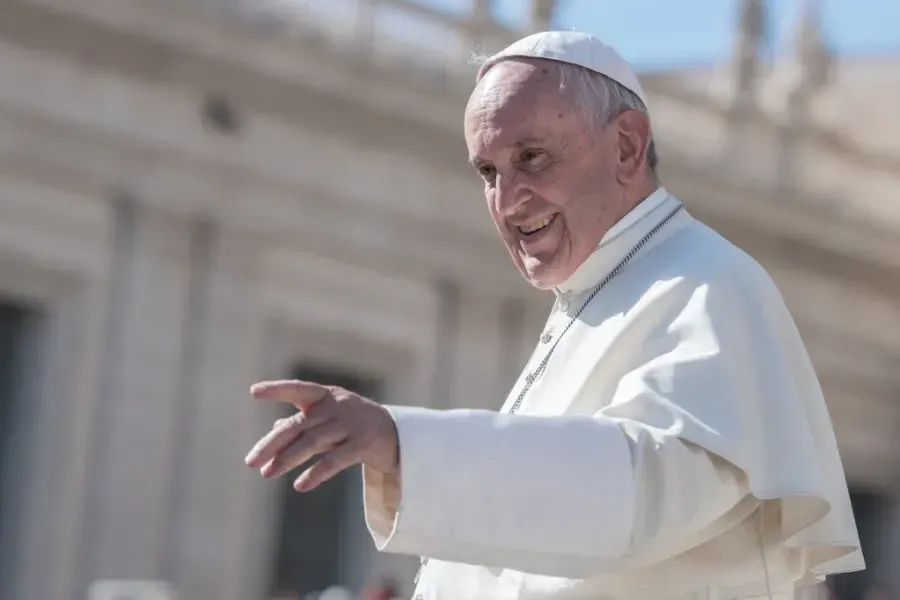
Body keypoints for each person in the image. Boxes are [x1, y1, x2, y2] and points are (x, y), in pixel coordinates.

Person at [244, 31, 864, 599]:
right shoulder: (595, 293)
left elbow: (643, 490)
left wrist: (403, 443)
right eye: (488, 171)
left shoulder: (711, 284)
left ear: (626, 146)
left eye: (532, 158)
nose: (507, 201)